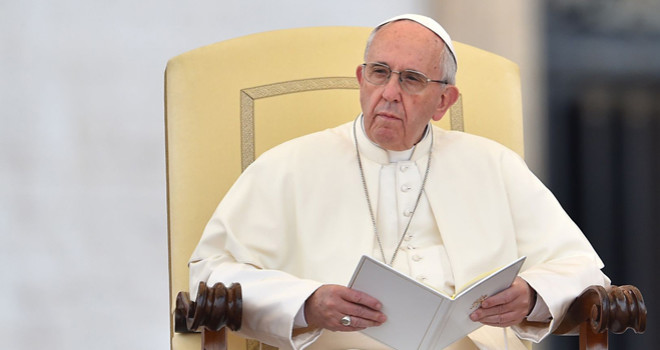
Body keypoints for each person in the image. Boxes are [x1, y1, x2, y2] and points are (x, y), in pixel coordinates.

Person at [189, 14, 609, 350]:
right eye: (379, 72)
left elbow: (584, 269)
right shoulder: (287, 165)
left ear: (444, 101)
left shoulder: (494, 165)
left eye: (411, 79)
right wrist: (307, 303)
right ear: (360, 78)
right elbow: (210, 276)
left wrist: (532, 294)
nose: (389, 92)